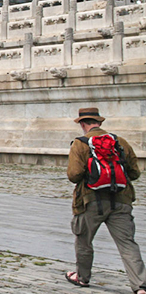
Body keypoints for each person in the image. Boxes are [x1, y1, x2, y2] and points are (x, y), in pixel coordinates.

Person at [64, 108, 145, 293]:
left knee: (84, 240)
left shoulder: (80, 144)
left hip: (90, 201)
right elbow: (134, 173)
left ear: (82, 124)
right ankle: (141, 286)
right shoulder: (120, 142)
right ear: (99, 123)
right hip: (121, 200)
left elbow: (74, 175)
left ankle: (82, 278)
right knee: (127, 243)